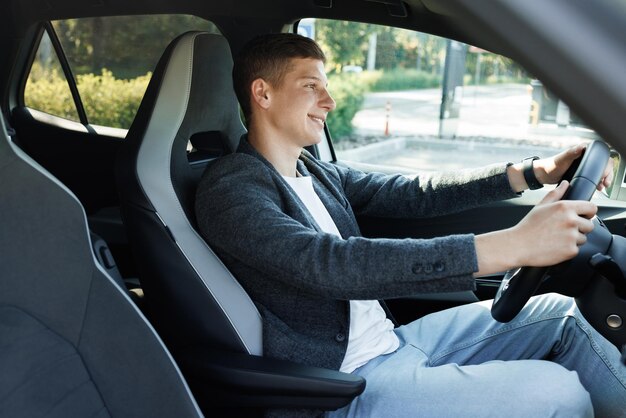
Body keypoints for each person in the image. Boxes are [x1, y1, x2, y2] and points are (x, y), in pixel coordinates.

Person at [195, 33, 625, 417]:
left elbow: (418, 191)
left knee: (565, 314)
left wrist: (534, 172)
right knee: (558, 392)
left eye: (326, 88)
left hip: (393, 343)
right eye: (311, 87)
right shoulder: (232, 187)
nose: (329, 101)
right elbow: (327, 264)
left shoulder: (314, 171)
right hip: (344, 384)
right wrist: (513, 245)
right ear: (262, 94)